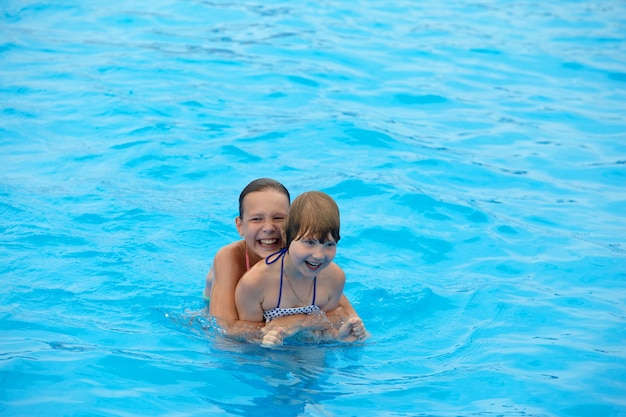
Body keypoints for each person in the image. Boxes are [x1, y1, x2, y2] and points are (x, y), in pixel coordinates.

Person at [205, 178, 365, 343]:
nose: (269, 228)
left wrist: (297, 322)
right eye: (256, 219)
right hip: (210, 310)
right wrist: (281, 329)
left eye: (278, 218)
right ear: (240, 226)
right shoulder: (230, 258)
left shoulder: (304, 260)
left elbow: (344, 314)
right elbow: (225, 329)